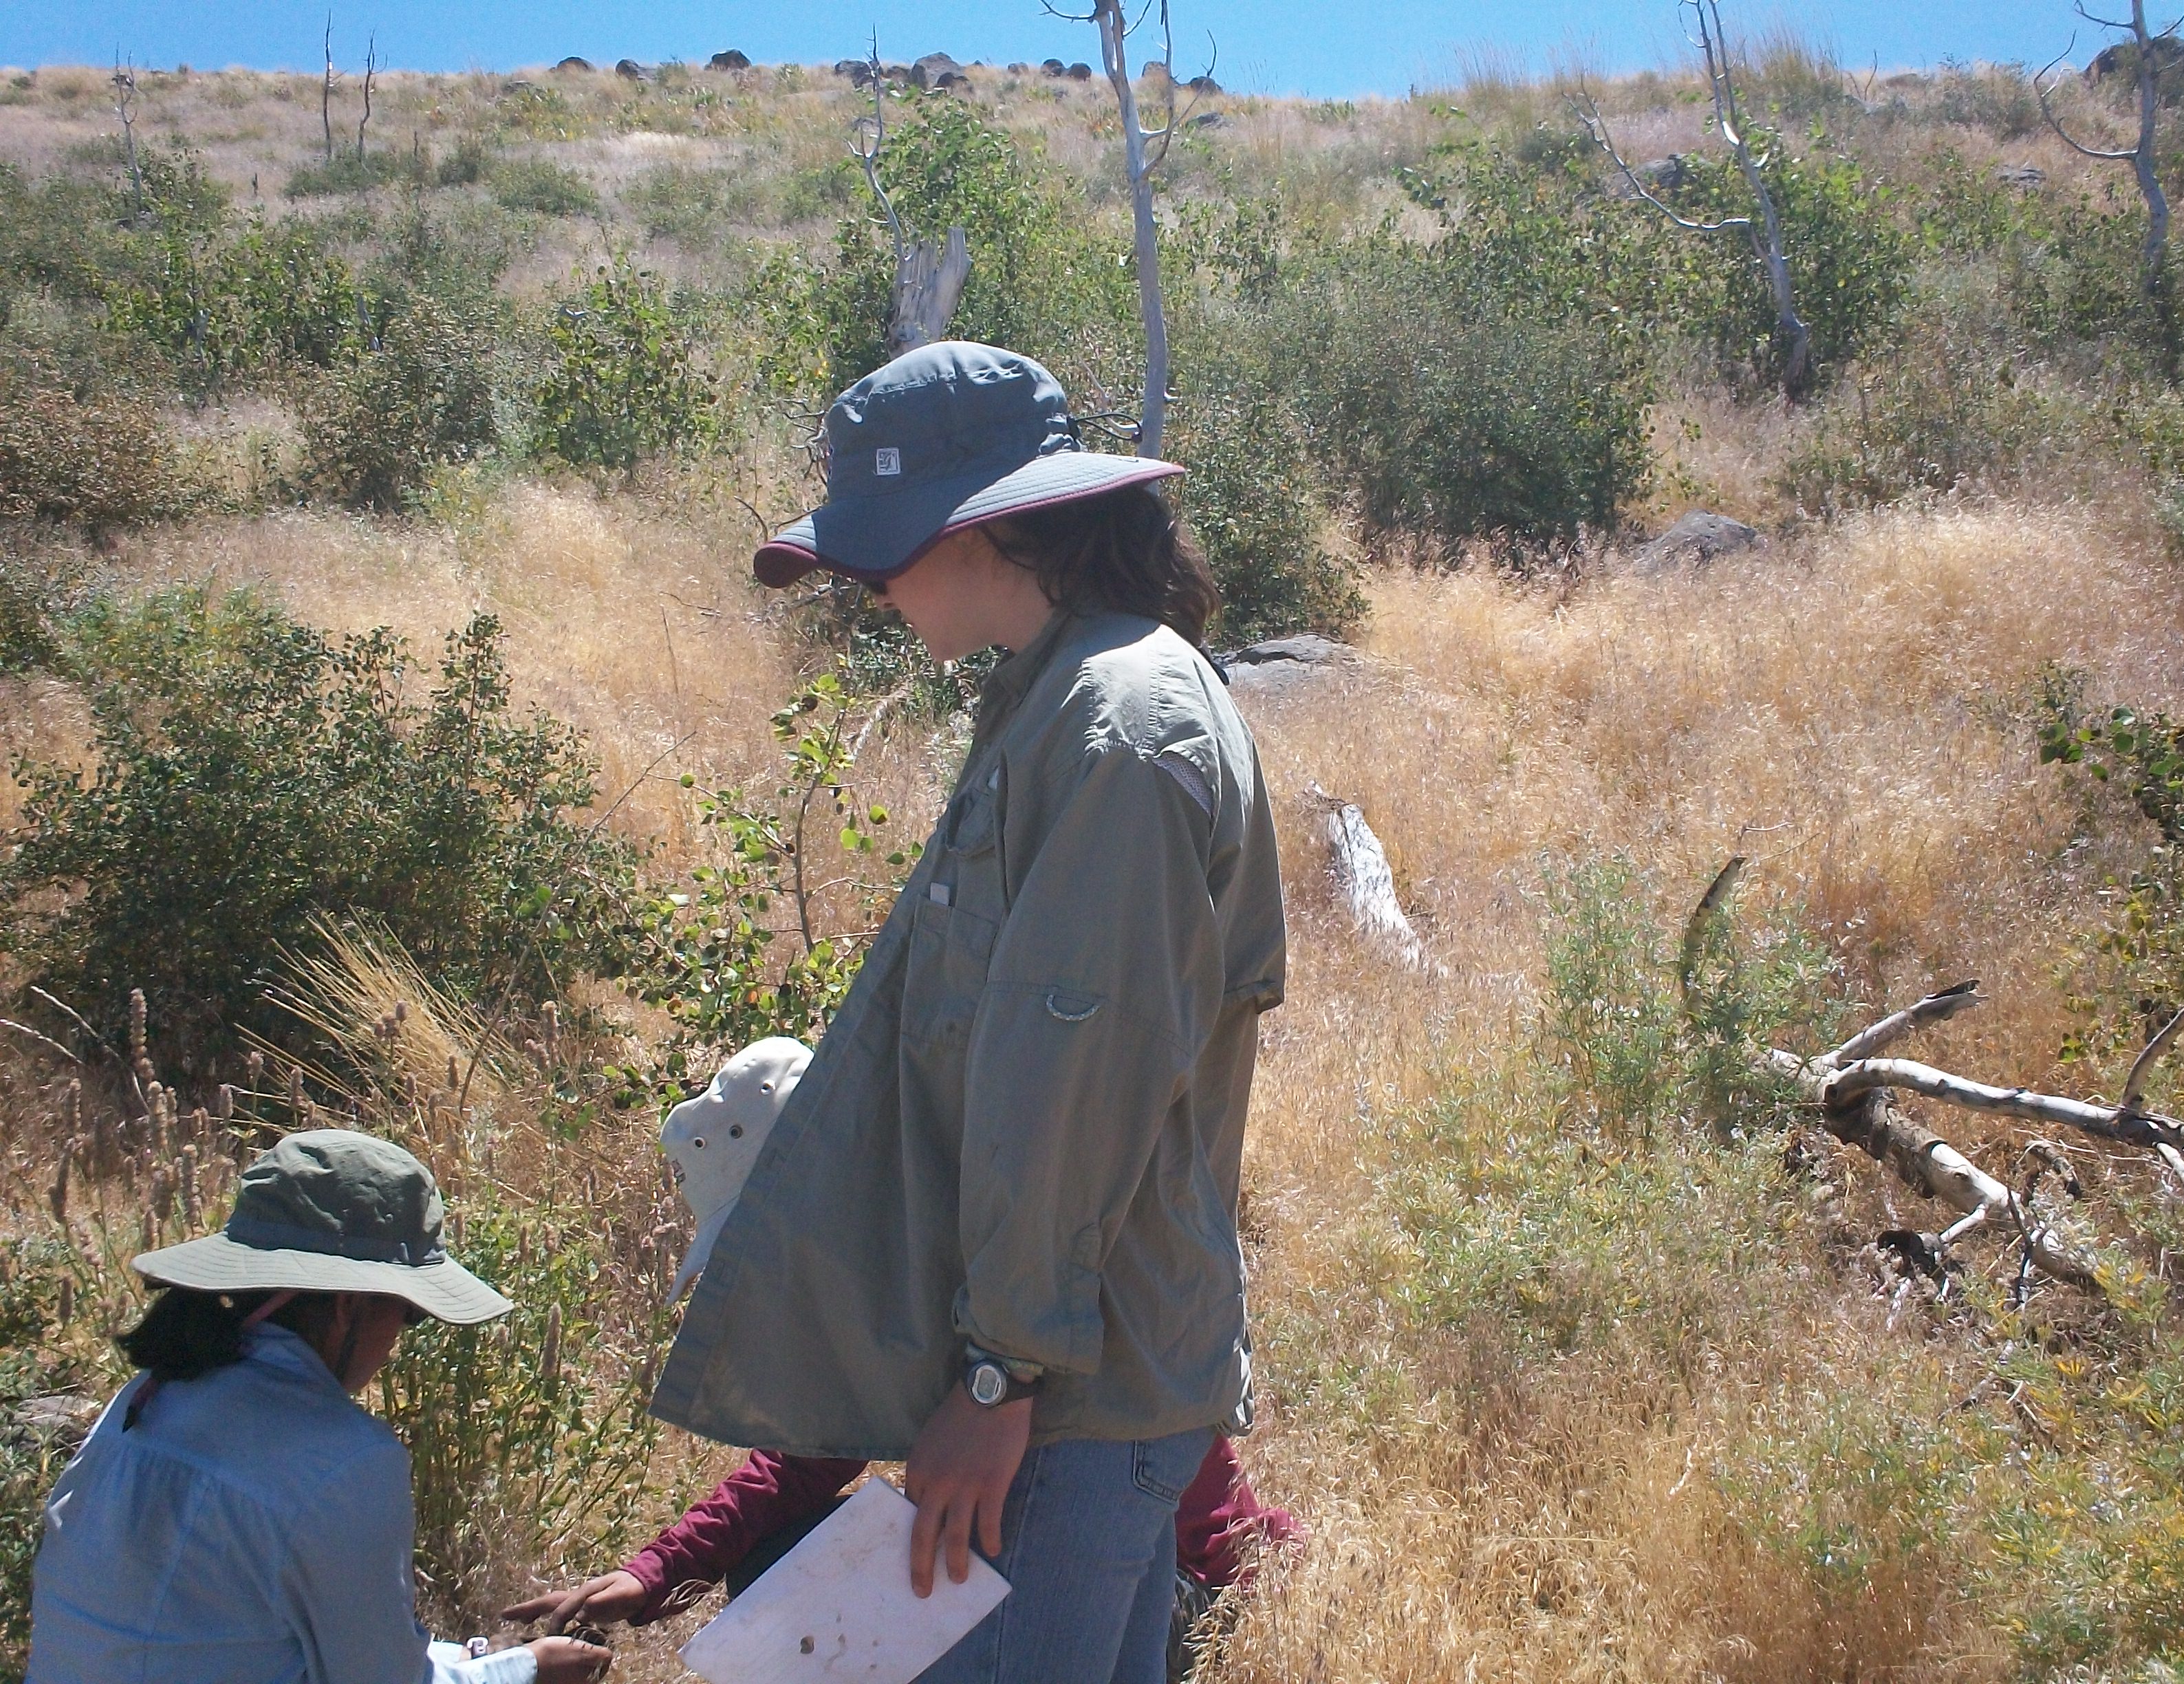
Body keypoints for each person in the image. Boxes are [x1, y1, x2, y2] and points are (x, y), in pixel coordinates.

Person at [646, 341, 1289, 1684]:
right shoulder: (1069, 693)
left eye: (876, 549)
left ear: (979, 527)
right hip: (1085, 1384)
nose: (867, 585)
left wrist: (999, 1377)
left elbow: (1078, 1082)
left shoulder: (1119, 726)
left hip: (1071, 1400)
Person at [505, 1039, 1301, 1678]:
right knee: (782, 1566)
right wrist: (655, 1572)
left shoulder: (983, 1250)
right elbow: (807, 1462)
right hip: (1095, 1547)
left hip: (1171, 1586)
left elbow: (1133, 1460)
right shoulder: (899, 1253)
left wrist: (1274, 1600)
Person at [25, 1128, 611, 1684]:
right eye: (408, 1313)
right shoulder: (346, 1460)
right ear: (349, 1306)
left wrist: (472, 1659)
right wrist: (523, 1669)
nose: (397, 1341)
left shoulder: (148, 1396)